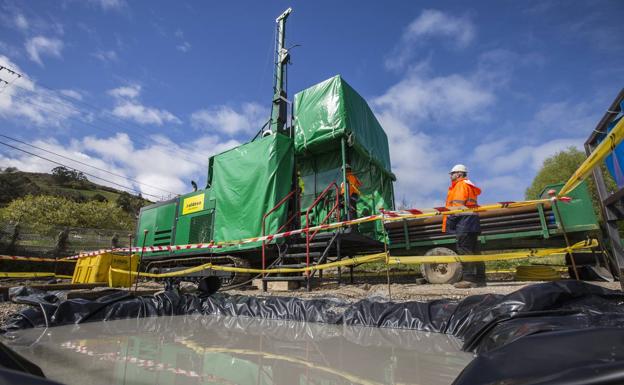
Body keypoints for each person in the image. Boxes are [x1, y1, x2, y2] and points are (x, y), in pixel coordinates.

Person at [442, 164, 486, 288]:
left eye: (453, 173)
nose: (451, 176)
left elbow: (457, 206)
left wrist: (450, 221)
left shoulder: (460, 185)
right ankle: (480, 279)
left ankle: (469, 279)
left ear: (459, 174)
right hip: (472, 221)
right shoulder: (469, 185)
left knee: (464, 250)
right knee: (474, 251)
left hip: (464, 222)